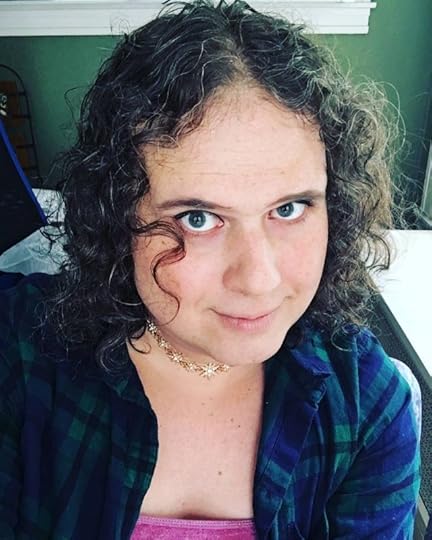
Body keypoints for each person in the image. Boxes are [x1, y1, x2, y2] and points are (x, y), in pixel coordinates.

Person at [0, 0, 421, 538]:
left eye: (289, 209)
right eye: (197, 219)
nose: (259, 279)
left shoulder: (365, 402)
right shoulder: (21, 355)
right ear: (115, 216)